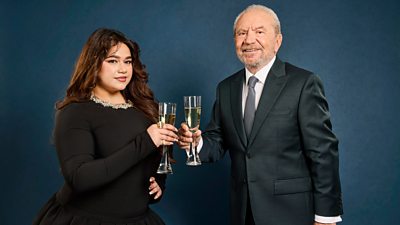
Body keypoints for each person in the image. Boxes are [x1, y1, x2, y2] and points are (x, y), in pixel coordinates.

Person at [178, 4, 343, 225]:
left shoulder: (303, 83)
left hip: (291, 213)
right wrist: (196, 143)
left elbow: (323, 152)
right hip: (242, 211)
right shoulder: (226, 88)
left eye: (259, 31)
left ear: (278, 41)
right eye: (241, 33)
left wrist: (326, 216)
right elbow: (217, 141)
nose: (248, 39)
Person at [33, 28, 178, 225]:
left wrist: (159, 183)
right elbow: (79, 178)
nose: (123, 69)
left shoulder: (144, 108)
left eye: (127, 61)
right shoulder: (74, 112)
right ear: (93, 63)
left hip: (138, 220)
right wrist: (146, 141)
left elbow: (155, 161)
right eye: (112, 61)